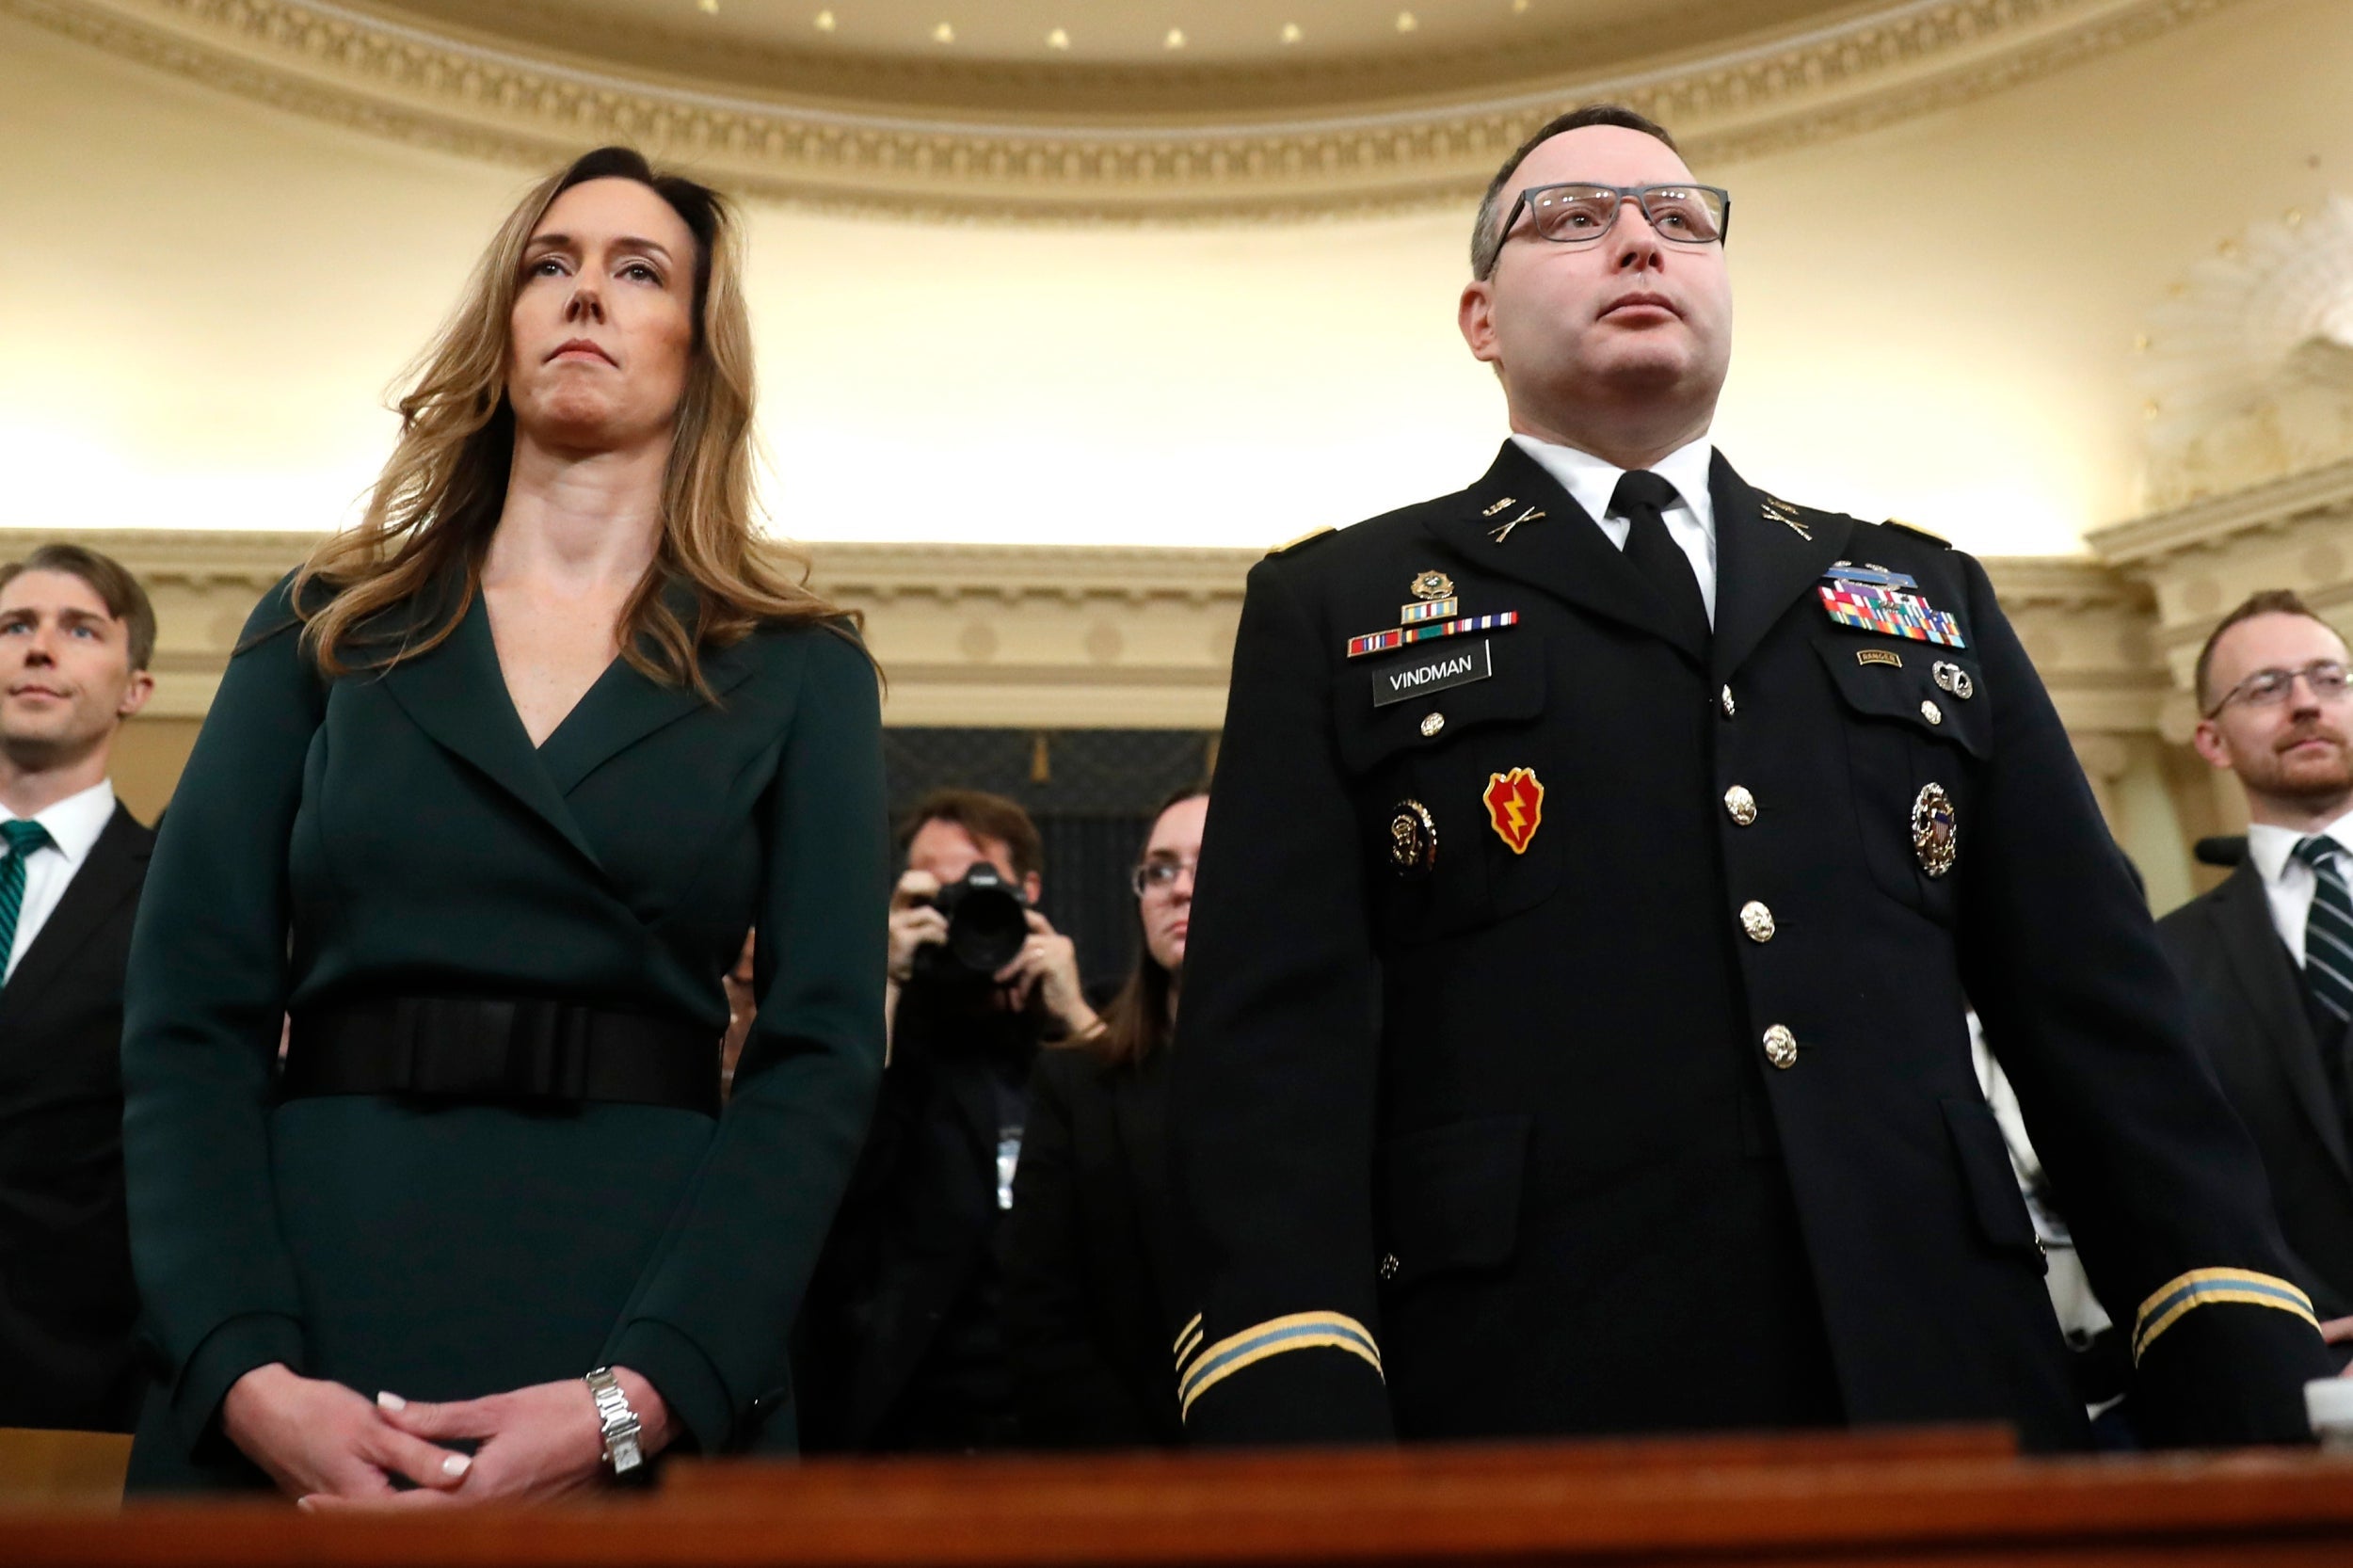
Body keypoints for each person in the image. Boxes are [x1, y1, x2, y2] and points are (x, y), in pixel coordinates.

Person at [1169, 104, 2332, 1452]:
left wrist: (2234, 1338)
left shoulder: (1920, 590)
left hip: (1947, 1371)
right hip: (1530, 1394)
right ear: (1481, 318)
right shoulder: (1340, 603)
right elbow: (1274, 1053)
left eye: (1680, 219)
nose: (1638, 242)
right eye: (1573, 217)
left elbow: (2101, 1019)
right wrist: (1293, 1408)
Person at [119, 146, 888, 1500]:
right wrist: (244, 1367)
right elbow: (186, 1015)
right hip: (311, 1293)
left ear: (698, 349)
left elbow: (821, 1060)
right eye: (550, 264)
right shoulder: (323, 627)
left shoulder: (800, 667)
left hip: (631, 1307)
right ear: (506, 326)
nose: (584, 293)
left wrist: (639, 1396)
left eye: (636, 270)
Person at [795, 790, 1099, 1452]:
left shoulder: (1074, 1040)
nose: (962, 911)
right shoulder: (891, 1042)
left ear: (1030, 890)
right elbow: (822, 1184)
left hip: (1063, 1430)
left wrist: (1078, 1019)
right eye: (938, 894)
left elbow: (1150, 1188)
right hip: (908, 1428)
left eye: (977, 887)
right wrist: (884, 984)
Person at [2159, 591, 2353, 1352]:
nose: (2305, 703)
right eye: (2267, 687)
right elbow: (2184, 1186)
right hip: (2314, 1373)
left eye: (2329, 679)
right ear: (2210, 740)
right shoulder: (2164, 967)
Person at [0, 545, 158, 1432]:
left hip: (80, 1391)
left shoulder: (181, 889)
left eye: (80, 628)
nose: (39, 648)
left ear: (135, 687)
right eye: (16, 625)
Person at [1004, 788, 1208, 1448]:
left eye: (1204, 865)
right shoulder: (1075, 1081)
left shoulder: (1331, 1066)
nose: (1178, 889)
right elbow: (1040, 1312)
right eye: (1160, 869)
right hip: (1121, 1470)